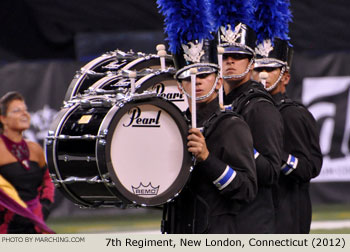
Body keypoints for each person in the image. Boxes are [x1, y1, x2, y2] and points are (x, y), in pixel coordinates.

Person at [157, 0, 257, 233]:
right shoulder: (174, 125)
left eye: (204, 74)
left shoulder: (231, 125)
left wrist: (207, 158)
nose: (197, 81)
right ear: (180, 86)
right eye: (188, 77)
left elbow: (247, 190)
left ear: (219, 81)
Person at [219, 22, 284, 233]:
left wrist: (237, 145)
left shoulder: (259, 106)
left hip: (252, 222)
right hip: (223, 218)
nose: (229, 60)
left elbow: (271, 172)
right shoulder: (219, 103)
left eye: (237, 56)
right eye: (224, 56)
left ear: (251, 62)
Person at [252, 38, 323, 233]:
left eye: (270, 69)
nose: (263, 75)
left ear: (286, 77)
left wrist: (273, 155)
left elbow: (310, 168)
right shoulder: (248, 110)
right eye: (257, 70)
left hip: (287, 213)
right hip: (257, 212)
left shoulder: (293, 114)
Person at [0, 91, 55, 234]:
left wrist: (45, 205)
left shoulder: (35, 149)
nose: (24, 114)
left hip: (34, 224)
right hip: (6, 227)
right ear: (3, 119)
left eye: (25, 110)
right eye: (17, 111)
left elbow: (47, 179)